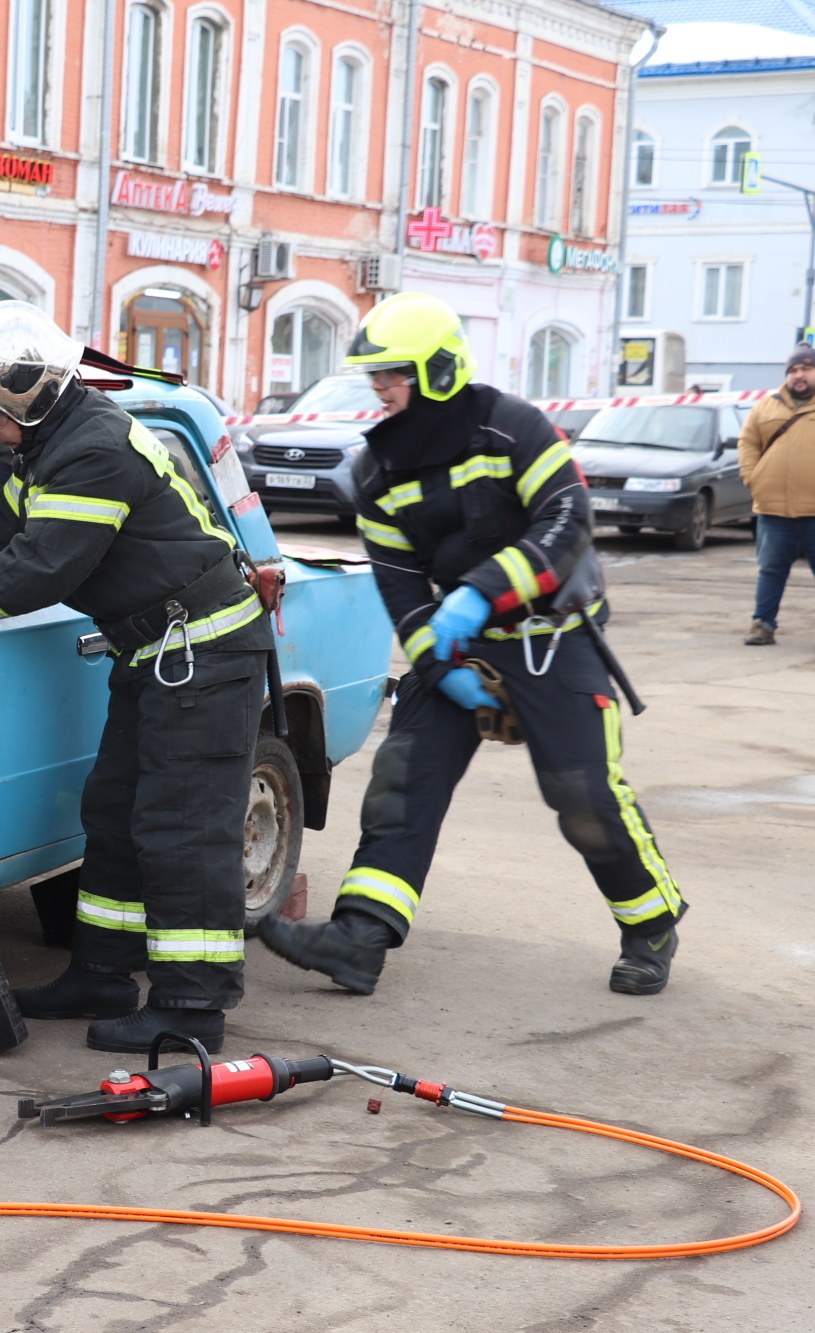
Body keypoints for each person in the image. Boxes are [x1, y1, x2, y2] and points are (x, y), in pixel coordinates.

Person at [259, 292, 687, 998]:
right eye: (376, 376)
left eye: (392, 375)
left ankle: (651, 923)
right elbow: (401, 589)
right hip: (459, 645)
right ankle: (359, 939)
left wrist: (480, 592)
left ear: (437, 372)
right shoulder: (375, 471)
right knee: (403, 783)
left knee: (583, 792)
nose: (380, 390)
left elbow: (567, 519)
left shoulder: (513, 429)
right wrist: (436, 661)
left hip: (552, 632)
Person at [0, 301, 272, 1056]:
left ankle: (191, 1007)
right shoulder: (49, 448)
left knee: (184, 831)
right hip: (156, 652)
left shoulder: (93, 451)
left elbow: (32, 573)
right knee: (113, 815)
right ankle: (104, 973)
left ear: (30, 398)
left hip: (202, 652)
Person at [737, 344, 815, 646]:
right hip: (773, 509)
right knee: (770, 570)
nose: (799, 375)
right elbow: (747, 443)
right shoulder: (766, 406)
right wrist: (751, 476)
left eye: (806, 368)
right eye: (793, 370)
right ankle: (763, 624)